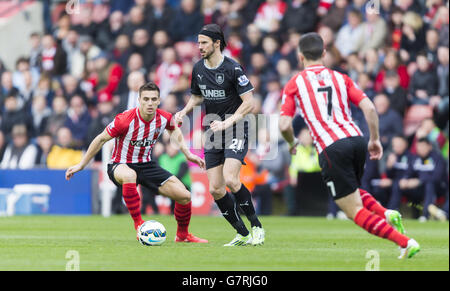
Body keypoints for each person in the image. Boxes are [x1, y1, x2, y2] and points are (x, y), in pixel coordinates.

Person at [278, 32, 420, 259]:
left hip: (330, 147)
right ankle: (386, 213)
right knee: (352, 192)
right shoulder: (341, 77)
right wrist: (373, 139)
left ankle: (405, 242)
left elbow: (284, 123)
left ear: (300, 56)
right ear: (324, 53)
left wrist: (292, 142)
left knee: (353, 210)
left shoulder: (295, 83)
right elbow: (370, 108)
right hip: (356, 139)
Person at [65, 82, 208, 243]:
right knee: (130, 174)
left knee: (184, 196)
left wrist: (188, 153)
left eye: (153, 99)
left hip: (147, 165)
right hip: (120, 164)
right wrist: (82, 164)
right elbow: (100, 139)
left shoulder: (164, 117)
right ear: (139, 100)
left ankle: (183, 236)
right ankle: (139, 225)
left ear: (159, 100)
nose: (149, 103)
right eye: (145, 99)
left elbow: (173, 130)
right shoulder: (125, 120)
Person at [174, 24, 265, 246]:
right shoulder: (197, 69)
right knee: (215, 188)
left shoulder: (233, 69)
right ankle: (242, 233)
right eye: (198, 42)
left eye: (204, 43)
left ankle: (256, 227)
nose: (200, 47)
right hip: (214, 131)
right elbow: (197, 97)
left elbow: (249, 102)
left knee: (232, 179)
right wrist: (183, 111)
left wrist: (229, 122)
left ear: (217, 43)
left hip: (236, 127)